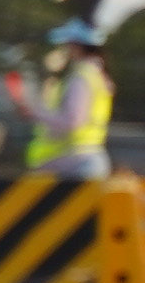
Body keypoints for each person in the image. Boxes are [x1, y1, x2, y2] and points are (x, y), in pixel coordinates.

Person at [9, 22, 112, 181]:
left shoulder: (81, 77)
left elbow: (72, 121)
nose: (65, 49)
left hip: (73, 165)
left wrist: (34, 114)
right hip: (84, 161)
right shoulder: (97, 75)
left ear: (77, 46)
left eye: (67, 44)